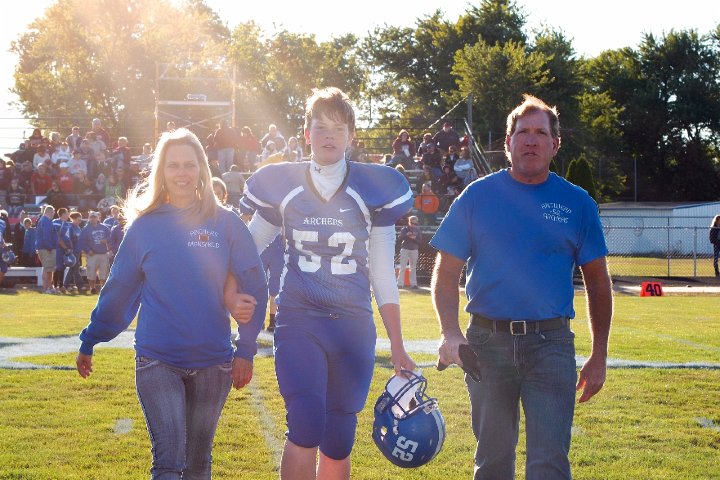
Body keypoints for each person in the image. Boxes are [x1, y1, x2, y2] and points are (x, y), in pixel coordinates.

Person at [234, 87, 416, 480]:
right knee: (305, 422)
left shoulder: (374, 188)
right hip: (300, 318)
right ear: (306, 133)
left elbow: (382, 274)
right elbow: (248, 249)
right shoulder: (283, 183)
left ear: (352, 135)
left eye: (338, 128)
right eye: (320, 127)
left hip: (353, 324)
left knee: (338, 437)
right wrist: (227, 291)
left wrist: (398, 345)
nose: (329, 136)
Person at [431, 94, 613, 479]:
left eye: (540, 133)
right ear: (507, 142)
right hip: (487, 344)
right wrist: (450, 332)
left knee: (549, 464)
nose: (531, 140)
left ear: (555, 144)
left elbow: (598, 282)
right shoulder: (476, 196)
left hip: (551, 346)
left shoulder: (577, 203)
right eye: (523, 132)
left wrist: (599, 355)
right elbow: (445, 273)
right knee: (493, 462)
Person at [76, 127, 268, 479]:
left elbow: (255, 284)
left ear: (202, 170)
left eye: (189, 165)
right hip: (158, 359)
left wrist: (246, 349)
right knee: (168, 462)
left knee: (198, 464)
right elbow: (119, 290)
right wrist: (91, 337)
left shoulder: (226, 223)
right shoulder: (144, 228)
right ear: (161, 172)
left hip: (214, 362)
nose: (182, 173)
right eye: (173, 165)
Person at [79, 211, 111, 294]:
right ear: (89, 218)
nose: (93, 219)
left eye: (95, 217)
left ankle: (102, 288)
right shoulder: (86, 229)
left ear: (98, 218)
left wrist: (106, 240)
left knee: (104, 272)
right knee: (91, 272)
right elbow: (82, 241)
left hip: (103, 253)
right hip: (92, 254)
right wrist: (88, 250)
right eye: (91, 217)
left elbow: (110, 237)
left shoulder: (104, 227)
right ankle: (92, 288)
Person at [36, 204, 58, 293]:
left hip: (43, 247)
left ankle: (49, 287)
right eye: (53, 212)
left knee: (48, 268)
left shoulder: (43, 220)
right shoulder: (46, 221)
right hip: (46, 248)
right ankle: (47, 288)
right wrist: (49, 246)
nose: (53, 214)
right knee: (47, 269)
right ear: (50, 212)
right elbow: (47, 235)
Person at [396, 215, 422, 289]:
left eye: (415, 223)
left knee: (413, 268)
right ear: (409, 222)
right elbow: (399, 239)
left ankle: (413, 284)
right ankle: (400, 284)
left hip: (414, 249)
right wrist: (406, 235)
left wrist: (414, 238)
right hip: (405, 249)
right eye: (412, 223)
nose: (413, 225)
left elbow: (420, 241)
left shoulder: (418, 230)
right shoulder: (404, 229)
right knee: (402, 267)